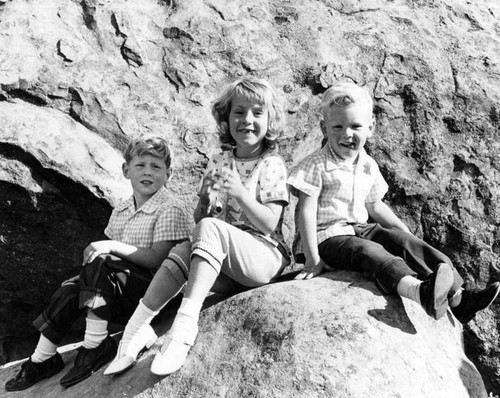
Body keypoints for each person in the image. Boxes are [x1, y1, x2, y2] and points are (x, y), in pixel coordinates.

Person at [104, 76, 291, 377]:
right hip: (224, 265)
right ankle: (136, 330)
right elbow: (202, 221)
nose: (247, 120)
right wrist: (205, 204)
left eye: (257, 113)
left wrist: (240, 193)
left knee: (208, 230)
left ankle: (183, 328)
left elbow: (270, 224)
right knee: (184, 245)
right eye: (239, 112)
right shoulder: (219, 160)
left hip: (262, 258)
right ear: (226, 118)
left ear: (270, 121)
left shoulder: (271, 164)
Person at [287, 81, 500, 323]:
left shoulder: (367, 163)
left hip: (360, 229)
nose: (347, 134)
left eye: (356, 126)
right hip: (326, 237)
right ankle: (418, 291)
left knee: (406, 243)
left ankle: (458, 298)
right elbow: (305, 210)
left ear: (370, 127)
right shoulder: (316, 164)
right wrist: (313, 259)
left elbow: (374, 205)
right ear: (324, 128)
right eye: (338, 126)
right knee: (368, 251)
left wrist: (403, 233)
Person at [5, 135, 191, 391]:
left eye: (156, 167)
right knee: (72, 286)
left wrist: (111, 246)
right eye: (140, 165)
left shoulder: (170, 207)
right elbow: (107, 266)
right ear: (126, 170)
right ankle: (42, 358)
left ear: (168, 174)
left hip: (157, 295)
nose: (148, 172)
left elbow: (157, 258)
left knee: (102, 257)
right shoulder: (122, 210)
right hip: (124, 294)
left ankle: (95, 345)